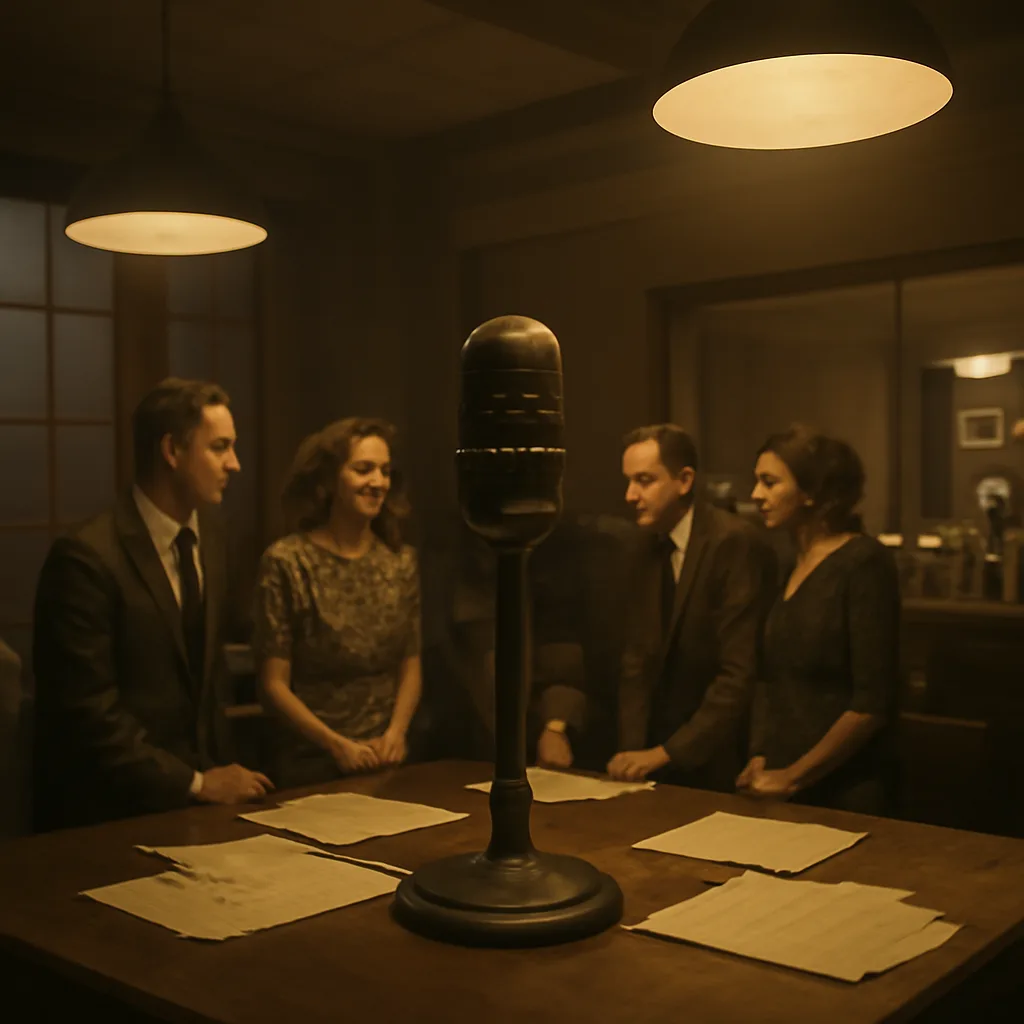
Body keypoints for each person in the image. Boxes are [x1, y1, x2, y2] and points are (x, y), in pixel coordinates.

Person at [32, 378, 272, 830]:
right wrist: (196, 784)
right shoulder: (87, 557)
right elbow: (88, 714)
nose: (234, 464)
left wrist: (220, 778)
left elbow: (208, 681)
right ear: (172, 451)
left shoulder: (213, 536)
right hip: (105, 814)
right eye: (219, 447)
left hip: (199, 805)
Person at [541, 424, 775, 790]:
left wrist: (665, 753)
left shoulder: (732, 544)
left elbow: (738, 675)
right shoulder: (643, 544)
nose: (630, 495)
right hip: (661, 757)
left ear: (684, 481)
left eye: (644, 480)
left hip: (723, 755)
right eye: (629, 480)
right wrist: (633, 755)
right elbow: (637, 660)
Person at [737, 425, 900, 814]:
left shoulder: (864, 563)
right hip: (781, 783)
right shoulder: (788, 562)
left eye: (770, 482)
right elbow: (771, 678)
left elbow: (871, 703)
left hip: (845, 788)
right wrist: (761, 753)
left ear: (812, 492)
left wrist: (795, 774)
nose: (756, 495)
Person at [254, 418, 421, 788]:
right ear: (329, 480)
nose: (377, 482)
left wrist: (396, 734)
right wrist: (336, 745)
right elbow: (273, 684)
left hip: (387, 758)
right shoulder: (288, 562)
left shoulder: (399, 560)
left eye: (384, 471)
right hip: (311, 762)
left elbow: (411, 663)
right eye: (363, 470)